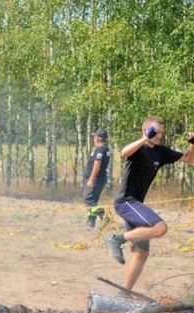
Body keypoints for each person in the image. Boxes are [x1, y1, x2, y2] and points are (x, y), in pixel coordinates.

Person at [105, 116, 194, 290]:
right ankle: (115, 239)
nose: (159, 136)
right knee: (160, 228)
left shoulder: (161, 152)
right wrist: (146, 138)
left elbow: (189, 159)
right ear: (145, 131)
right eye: (155, 132)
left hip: (135, 203)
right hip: (125, 201)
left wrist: (193, 143)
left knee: (142, 253)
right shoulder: (139, 148)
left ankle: (125, 292)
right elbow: (124, 152)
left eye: (161, 133)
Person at [82, 129, 110, 228]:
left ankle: (104, 215)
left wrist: (92, 179)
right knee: (93, 200)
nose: (93, 138)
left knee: (88, 200)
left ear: (98, 138)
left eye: (94, 136)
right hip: (99, 178)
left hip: (95, 178)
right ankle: (91, 222)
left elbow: (97, 164)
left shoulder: (100, 149)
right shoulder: (104, 149)